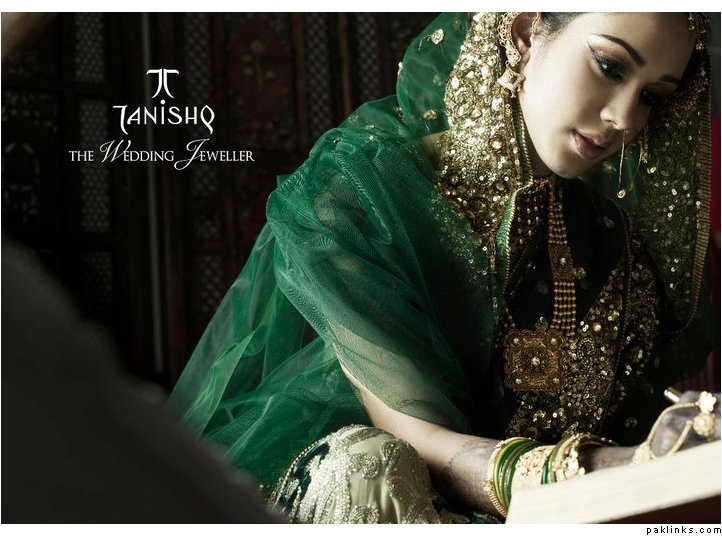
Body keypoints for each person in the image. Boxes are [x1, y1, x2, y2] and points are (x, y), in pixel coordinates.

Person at [169, 12, 719, 523]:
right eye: (609, 67)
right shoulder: (362, 197)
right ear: (525, 35)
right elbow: (420, 442)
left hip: (538, 516)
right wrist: (600, 467)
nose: (625, 118)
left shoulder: (615, 252)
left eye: (651, 96)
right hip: (378, 503)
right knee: (367, 467)